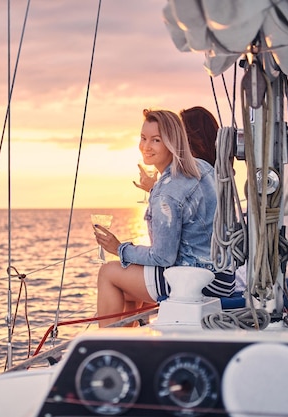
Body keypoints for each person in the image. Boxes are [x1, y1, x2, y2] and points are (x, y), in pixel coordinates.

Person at [93, 109, 234, 327]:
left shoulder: (166, 193)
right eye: (143, 138)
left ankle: (106, 349)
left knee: (109, 273)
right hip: (224, 276)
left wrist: (119, 248)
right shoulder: (202, 167)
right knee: (128, 285)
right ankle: (128, 340)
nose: (146, 146)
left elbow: (163, 258)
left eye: (156, 140)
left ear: (172, 142)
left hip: (197, 282)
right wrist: (156, 188)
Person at [134, 106, 218, 192]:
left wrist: (155, 189)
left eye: (156, 140)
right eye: (143, 138)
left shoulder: (188, 177)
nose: (176, 137)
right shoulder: (210, 171)